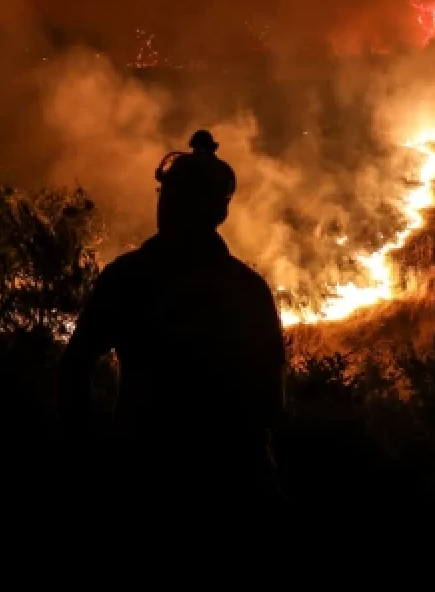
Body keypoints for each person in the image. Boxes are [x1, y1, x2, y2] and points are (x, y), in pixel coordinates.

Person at [57, 129, 287, 553]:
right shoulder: (246, 289)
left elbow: (74, 368)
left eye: (175, 197)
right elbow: (270, 399)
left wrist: (92, 450)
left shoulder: (129, 277)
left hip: (144, 482)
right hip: (232, 491)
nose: (168, 205)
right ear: (222, 212)